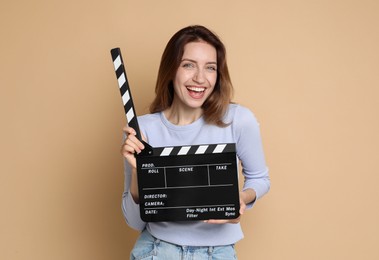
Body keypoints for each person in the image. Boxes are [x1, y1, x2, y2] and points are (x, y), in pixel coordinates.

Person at [121, 25, 270, 260]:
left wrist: (240, 199)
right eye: (188, 64)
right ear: (171, 70)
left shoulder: (238, 120)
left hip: (217, 253)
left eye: (210, 68)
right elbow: (134, 221)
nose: (200, 78)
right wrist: (139, 170)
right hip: (157, 250)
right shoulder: (143, 129)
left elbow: (260, 178)